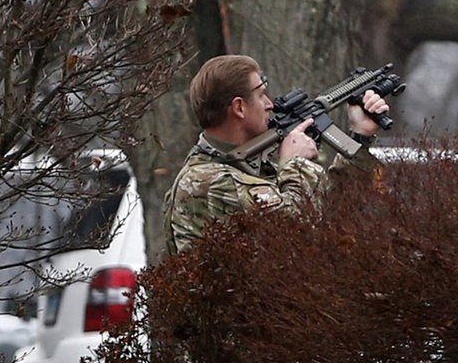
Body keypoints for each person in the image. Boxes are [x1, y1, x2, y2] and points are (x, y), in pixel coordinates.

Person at [163, 54, 389, 255]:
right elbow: (297, 229)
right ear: (239, 107)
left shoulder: (250, 168)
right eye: (261, 95)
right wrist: (295, 162)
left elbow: (329, 215)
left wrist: (360, 136)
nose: (269, 104)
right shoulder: (209, 180)